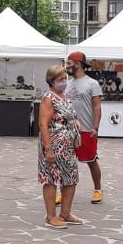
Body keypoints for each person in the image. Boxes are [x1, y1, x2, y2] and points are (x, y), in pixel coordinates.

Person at [38, 63, 81, 228]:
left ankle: (65, 213)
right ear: (51, 80)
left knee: (71, 178)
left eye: (65, 78)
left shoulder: (65, 97)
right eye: (60, 79)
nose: (64, 81)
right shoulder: (49, 98)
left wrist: (75, 122)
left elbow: (67, 116)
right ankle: (51, 217)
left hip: (68, 146)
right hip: (53, 145)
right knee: (51, 179)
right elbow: (43, 124)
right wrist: (48, 149)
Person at [63, 52, 104, 205]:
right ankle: (63, 191)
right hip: (68, 130)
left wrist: (95, 127)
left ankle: (98, 190)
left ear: (77, 64)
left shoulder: (92, 84)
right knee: (65, 162)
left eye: (69, 63)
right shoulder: (66, 83)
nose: (66, 66)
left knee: (91, 161)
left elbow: (97, 106)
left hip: (87, 130)